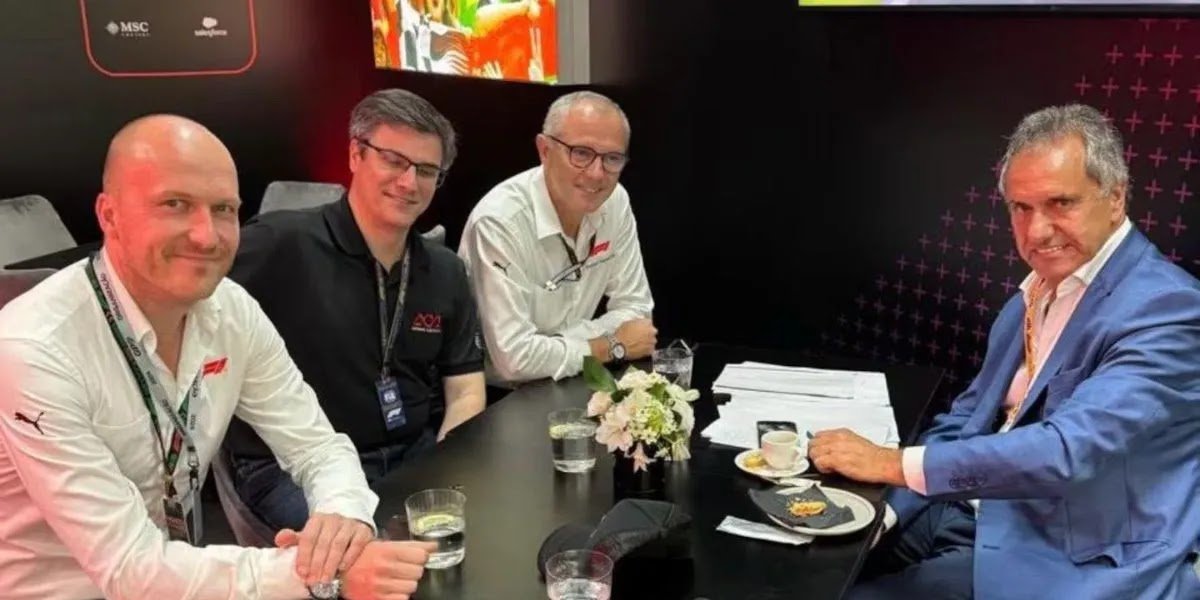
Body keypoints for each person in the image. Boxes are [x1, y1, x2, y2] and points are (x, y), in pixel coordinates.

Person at [0, 114, 433, 599]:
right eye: (175, 204)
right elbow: (130, 569)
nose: (207, 236)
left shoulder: (231, 310)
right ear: (109, 214)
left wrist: (343, 519)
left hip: (184, 573)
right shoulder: (34, 350)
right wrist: (321, 574)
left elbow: (318, 446)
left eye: (224, 209)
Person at [808, 104, 1200, 599]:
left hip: (1061, 553)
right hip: (966, 510)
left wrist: (890, 464)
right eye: (1021, 208)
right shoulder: (1034, 293)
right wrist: (884, 511)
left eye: (1060, 203)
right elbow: (968, 418)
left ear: (1116, 197)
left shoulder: (1169, 309)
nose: (1036, 232)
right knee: (802, 566)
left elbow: (1066, 451)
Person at [222, 88, 486, 535]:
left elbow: (464, 391)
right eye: (394, 161)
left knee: (481, 530)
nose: (409, 183)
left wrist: (448, 472)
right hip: (297, 467)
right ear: (355, 155)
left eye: (426, 170)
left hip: (413, 453)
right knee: (377, 556)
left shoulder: (444, 271)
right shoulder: (277, 245)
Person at [458, 90, 656, 386]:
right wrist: (610, 345)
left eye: (612, 158)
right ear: (545, 150)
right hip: (502, 395)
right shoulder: (499, 221)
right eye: (581, 153)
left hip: (574, 378)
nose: (596, 174)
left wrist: (554, 347)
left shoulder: (615, 201)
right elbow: (515, 360)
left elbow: (637, 314)